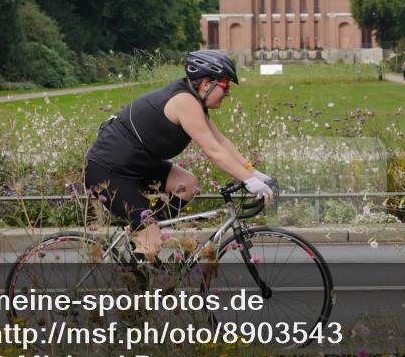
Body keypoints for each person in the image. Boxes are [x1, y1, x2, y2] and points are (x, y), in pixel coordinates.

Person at [84, 50, 274, 236]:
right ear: (207, 84)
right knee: (150, 240)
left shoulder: (193, 99)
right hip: (110, 170)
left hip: (137, 165)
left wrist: (253, 172)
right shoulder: (184, 101)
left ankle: (144, 234)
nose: (228, 93)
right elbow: (213, 151)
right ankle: (146, 240)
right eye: (225, 86)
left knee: (187, 184)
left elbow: (221, 142)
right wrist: (248, 181)